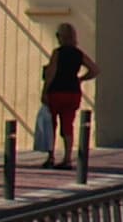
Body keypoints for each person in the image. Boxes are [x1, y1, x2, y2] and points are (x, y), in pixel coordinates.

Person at [38, 22, 93, 170]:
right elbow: (95, 69)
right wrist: (81, 78)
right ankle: (68, 158)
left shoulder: (58, 52)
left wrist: (44, 91)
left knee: (52, 125)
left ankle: (51, 157)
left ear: (61, 37)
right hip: (73, 93)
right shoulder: (78, 53)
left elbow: (51, 73)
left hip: (57, 91)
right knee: (68, 125)